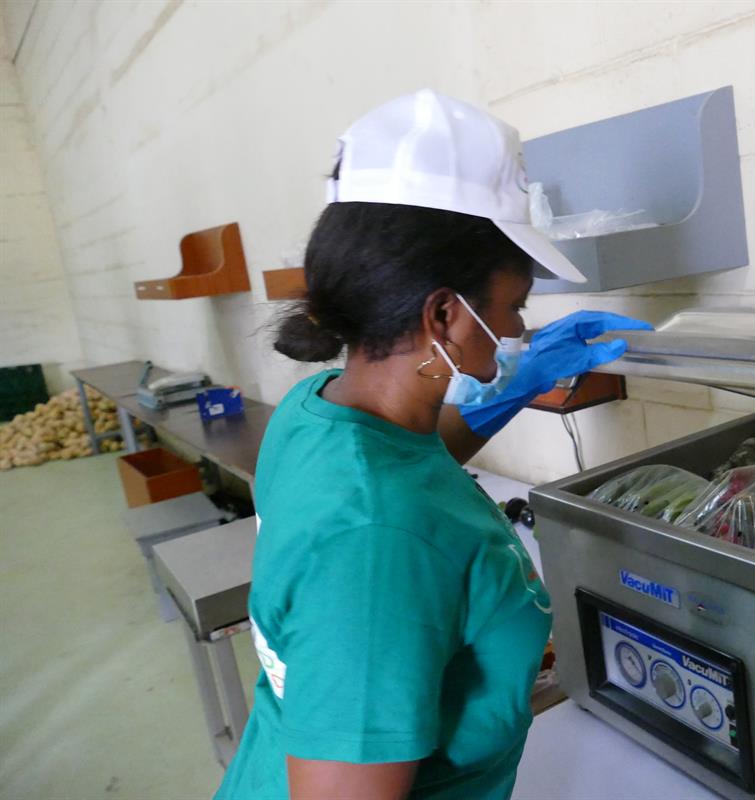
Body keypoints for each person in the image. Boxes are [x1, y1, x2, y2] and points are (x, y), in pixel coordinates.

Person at [214, 90, 651, 800]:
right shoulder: (377, 544)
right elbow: (387, 524)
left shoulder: (320, 410)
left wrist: (514, 387)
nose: (516, 331)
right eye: (513, 306)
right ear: (444, 313)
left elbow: (410, 468)